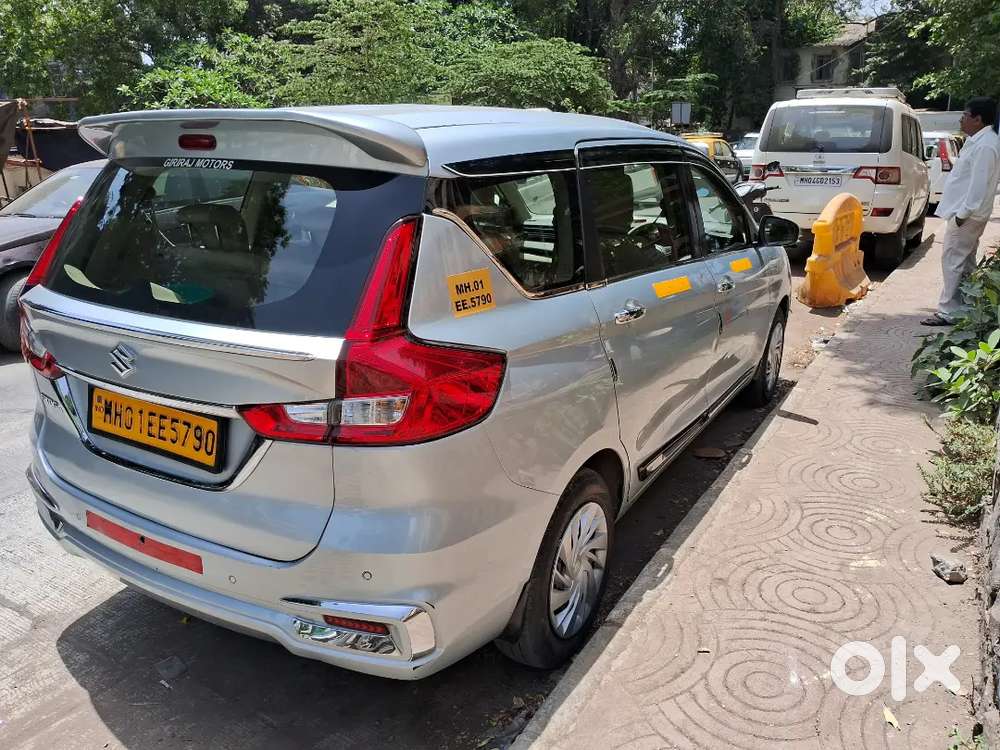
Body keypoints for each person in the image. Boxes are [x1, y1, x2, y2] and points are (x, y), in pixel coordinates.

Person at [922, 97, 1000, 326]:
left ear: (977, 119)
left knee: (952, 261)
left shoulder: (986, 144)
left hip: (967, 214)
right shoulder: (981, 140)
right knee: (965, 262)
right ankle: (967, 306)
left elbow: (978, 185)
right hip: (968, 213)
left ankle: (948, 311)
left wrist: (961, 215)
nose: (961, 119)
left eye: (965, 115)